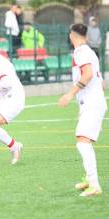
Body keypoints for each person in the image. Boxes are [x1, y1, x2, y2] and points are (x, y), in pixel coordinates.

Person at [58, 23, 107, 197]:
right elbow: (99, 81)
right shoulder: (88, 51)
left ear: (72, 35)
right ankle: (89, 179)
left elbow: (88, 74)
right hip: (92, 102)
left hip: (92, 103)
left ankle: (94, 185)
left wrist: (70, 94)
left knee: (82, 141)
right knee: (83, 140)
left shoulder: (81, 52)